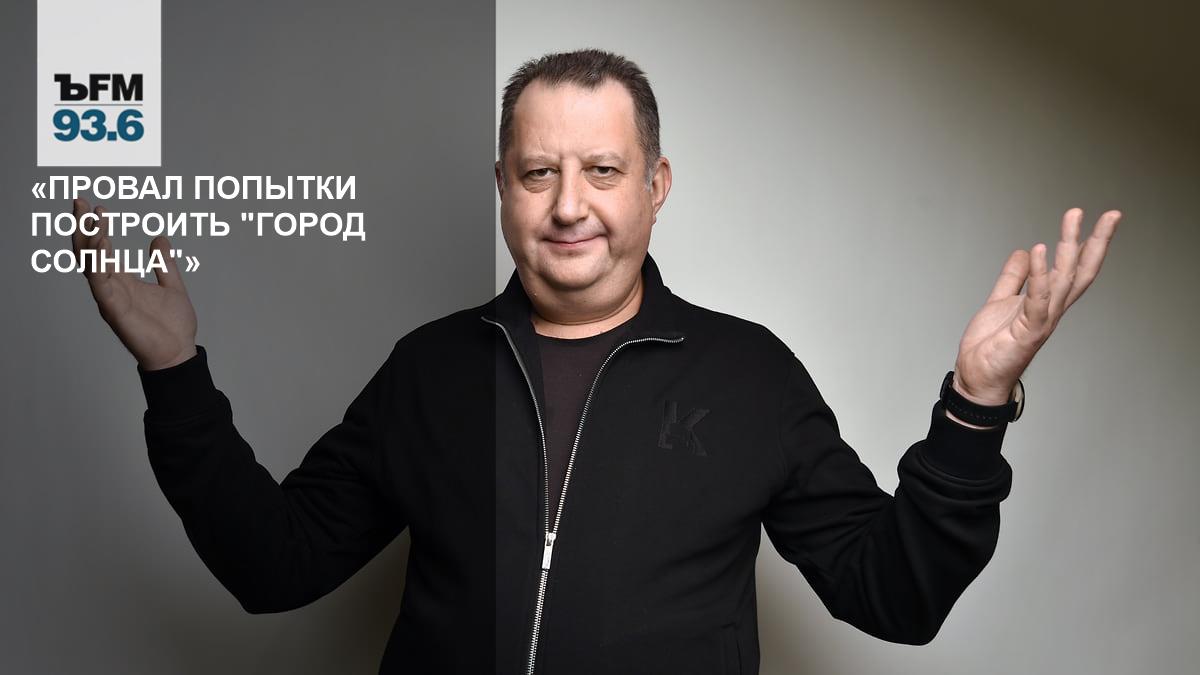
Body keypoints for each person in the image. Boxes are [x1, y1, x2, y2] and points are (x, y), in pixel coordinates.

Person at [71, 49, 1119, 675]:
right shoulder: (429, 371)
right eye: (538, 172)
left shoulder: (750, 376)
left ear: (655, 185)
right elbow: (274, 566)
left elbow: (896, 596)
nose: (569, 205)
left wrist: (976, 404)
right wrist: (175, 372)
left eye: (603, 170)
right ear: (502, 186)